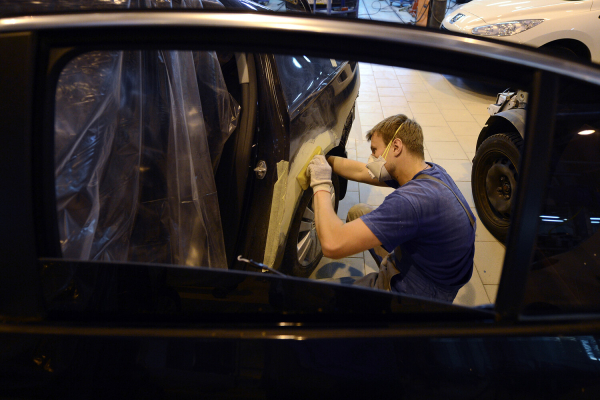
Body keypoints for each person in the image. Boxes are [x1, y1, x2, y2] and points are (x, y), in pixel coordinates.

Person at [307, 114, 475, 302]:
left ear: (396, 147)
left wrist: (321, 182)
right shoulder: (429, 172)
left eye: (375, 150)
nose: (372, 158)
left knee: (314, 297)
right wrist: (326, 161)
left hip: (419, 292)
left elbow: (332, 243)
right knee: (358, 212)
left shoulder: (411, 201)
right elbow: (361, 171)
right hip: (428, 264)